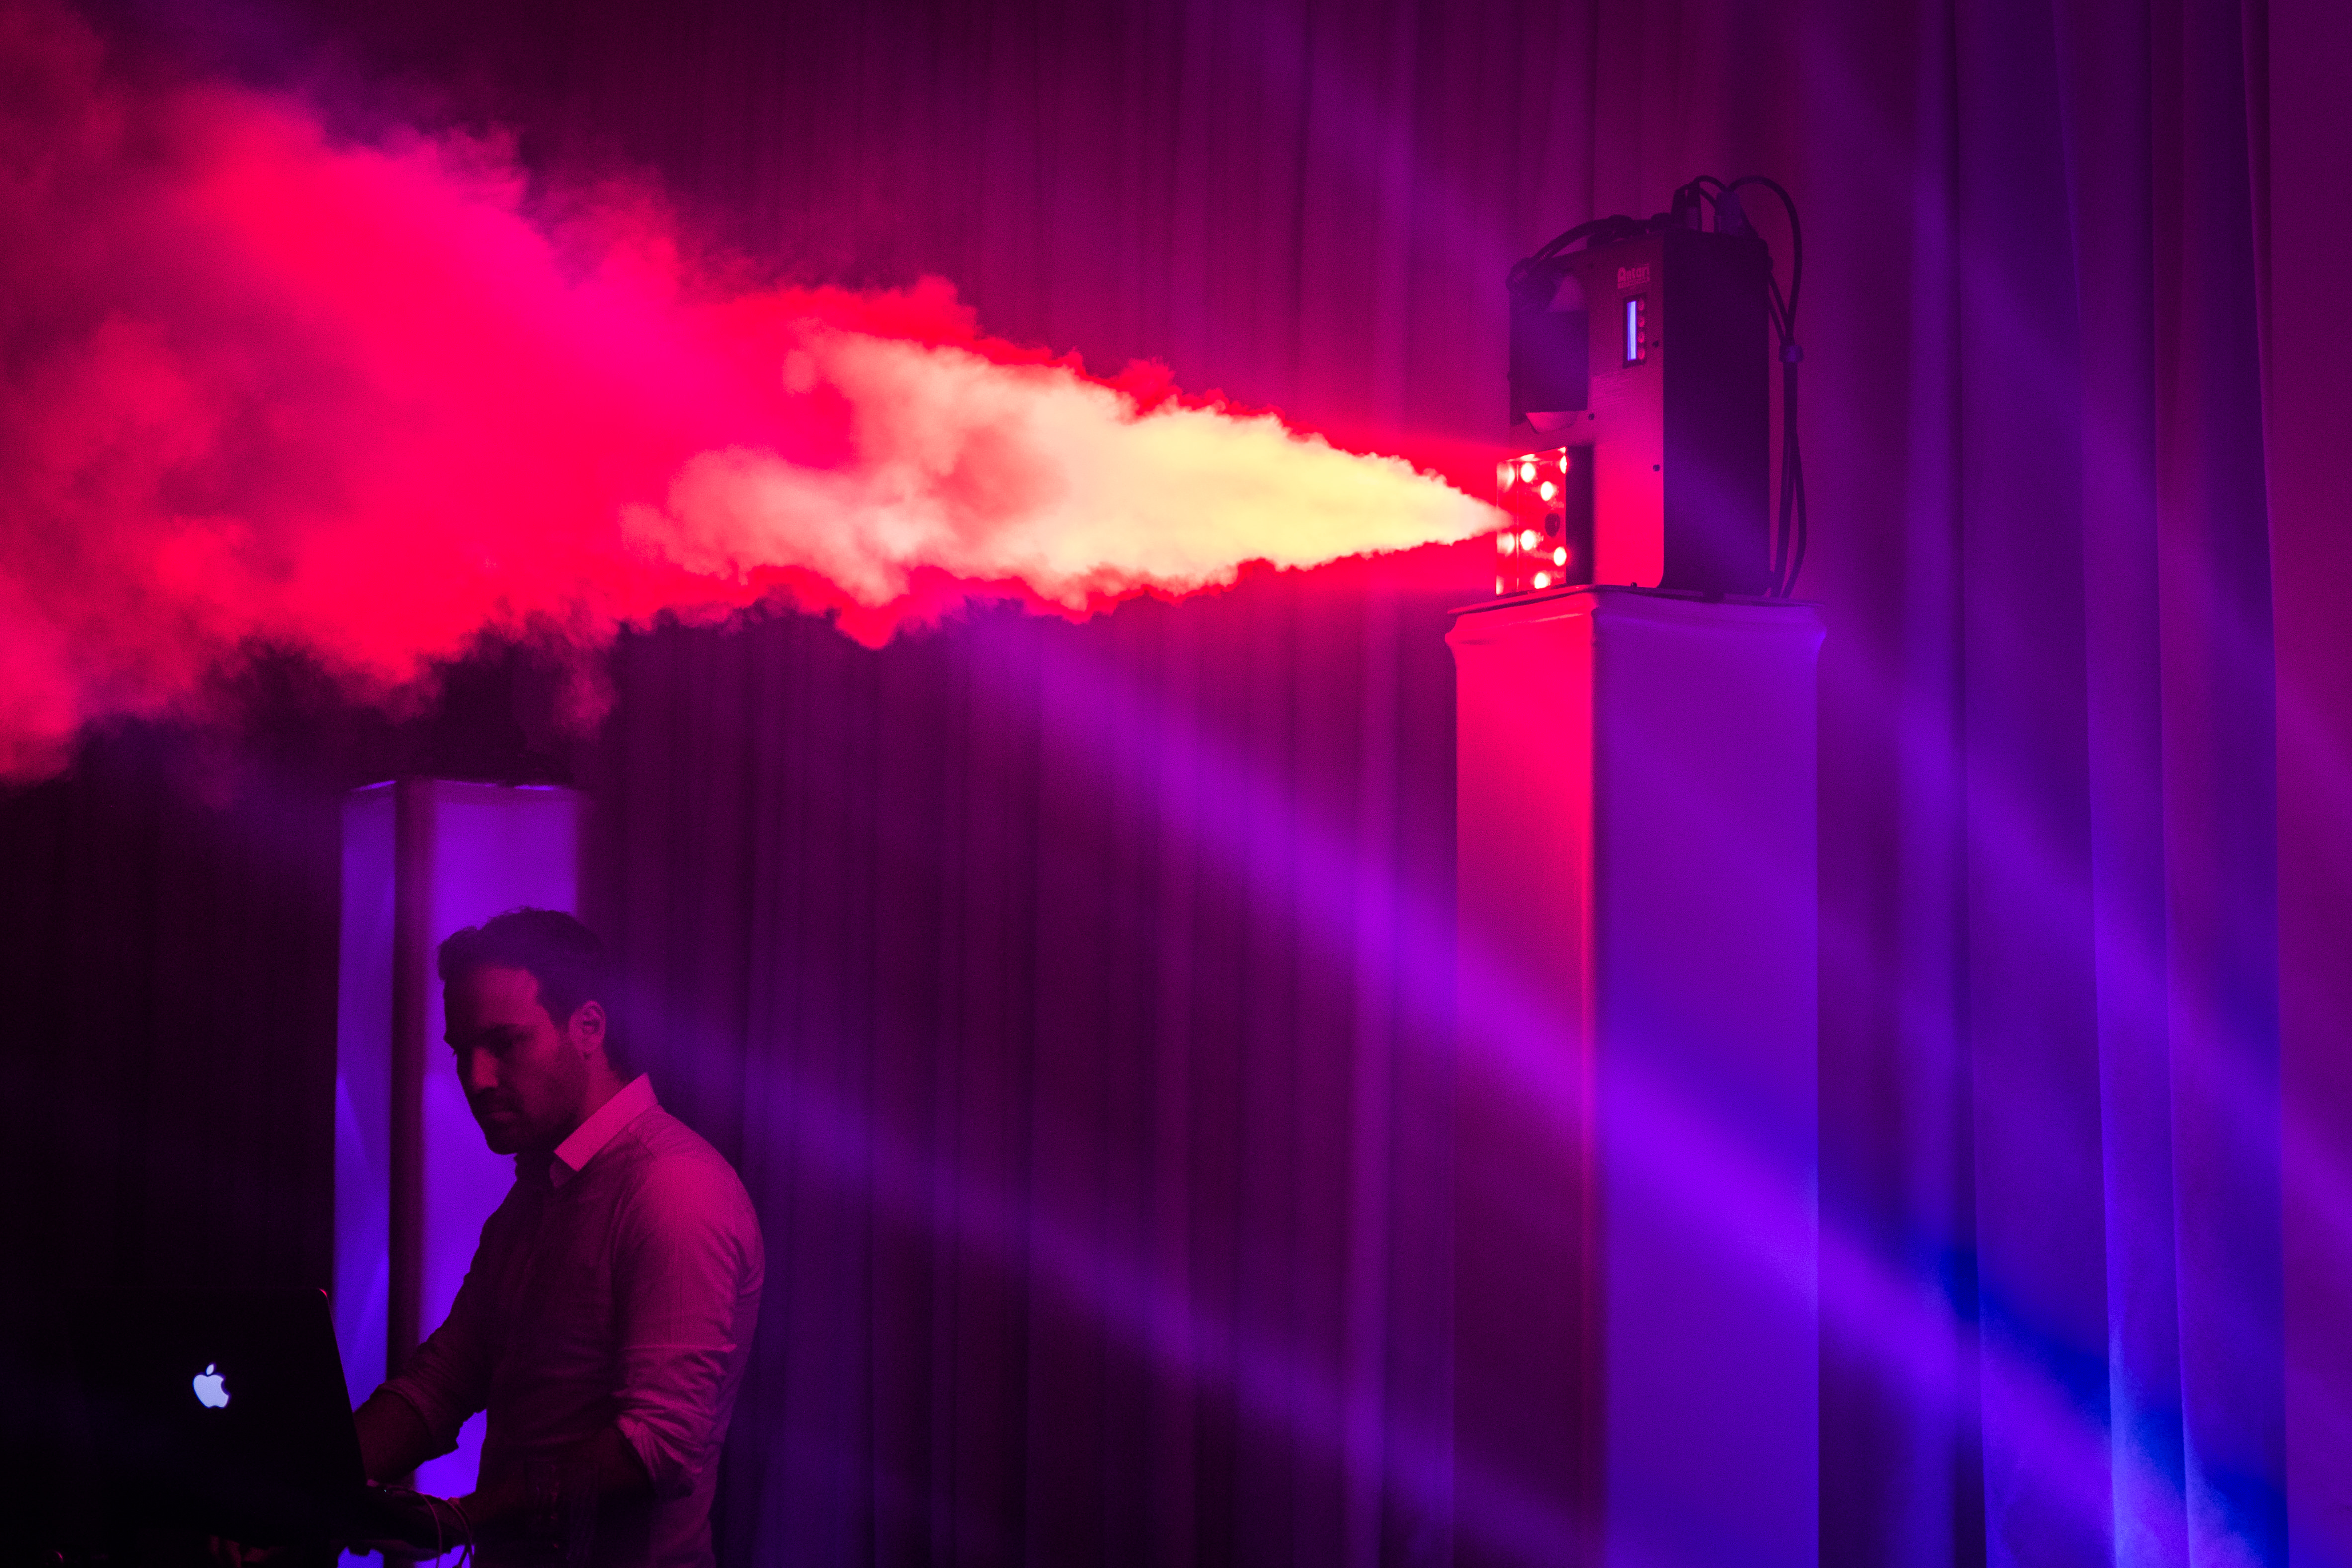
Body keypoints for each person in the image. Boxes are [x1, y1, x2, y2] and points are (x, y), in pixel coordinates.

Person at [351, 908, 764, 1568]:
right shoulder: (538, 1197)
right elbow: (443, 1382)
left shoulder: (675, 1188)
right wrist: (299, 1488)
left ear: (589, 1027)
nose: (476, 1078)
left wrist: (460, 1517)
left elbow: (656, 1447)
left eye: (505, 1044)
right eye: (462, 1050)